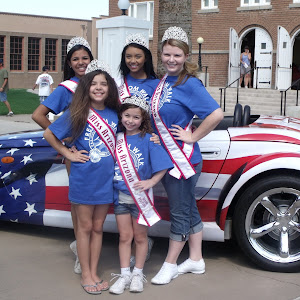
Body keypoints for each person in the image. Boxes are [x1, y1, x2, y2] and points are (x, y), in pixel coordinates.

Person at [149, 26, 223, 285]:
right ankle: (196, 259)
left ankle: (169, 264)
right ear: (161, 54)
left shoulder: (189, 83)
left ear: (186, 56)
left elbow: (216, 114)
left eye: (177, 56)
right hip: (168, 158)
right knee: (189, 209)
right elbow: (163, 118)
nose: (171, 60)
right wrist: (159, 135)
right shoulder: (163, 82)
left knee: (180, 213)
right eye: (167, 54)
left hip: (183, 162)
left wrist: (192, 136)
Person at [43, 60, 119, 295]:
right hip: (84, 178)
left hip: (105, 180)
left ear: (110, 88)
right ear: (86, 88)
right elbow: (49, 132)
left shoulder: (115, 114)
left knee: (98, 228)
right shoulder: (77, 112)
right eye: (93, 83)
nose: (98, 88)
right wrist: (67, 153)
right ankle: (86, 273)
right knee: (84, 227)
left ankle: (94, 271)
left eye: (103, 84)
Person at [32, 37, 94, 275]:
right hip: (76, 154)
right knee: (78, 203)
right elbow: (39, 115)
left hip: (102, 152)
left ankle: (86, 245)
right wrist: (65, 140)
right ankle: (81, 249)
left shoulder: (100, 83)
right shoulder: (67, 88)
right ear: (69, 62)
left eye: (85, 58)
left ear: (92, 59)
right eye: (76, 59)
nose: (81, 63)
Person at [109, 95, 173, 294]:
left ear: (143, 119)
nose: (130, 120)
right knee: (124, 237)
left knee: (140, 237)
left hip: (140, 200)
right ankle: (124, 274)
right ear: (121, 116)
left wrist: (152, 182)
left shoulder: (148, 139)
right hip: (120, 197)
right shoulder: (116, 138)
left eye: (136, 117)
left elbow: (163, 165)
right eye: (127, 115)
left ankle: (138, 273)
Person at [117, 32, 159, 268]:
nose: (133, 61)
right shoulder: (118, 82)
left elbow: (158, 116)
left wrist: (154, 138)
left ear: (146, 58)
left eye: (138, 56)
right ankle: (131, 254)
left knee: (142, 198)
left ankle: (142, 246)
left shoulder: (155, 84)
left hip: (145, 146)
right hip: (123, 145)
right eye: (129, 56)